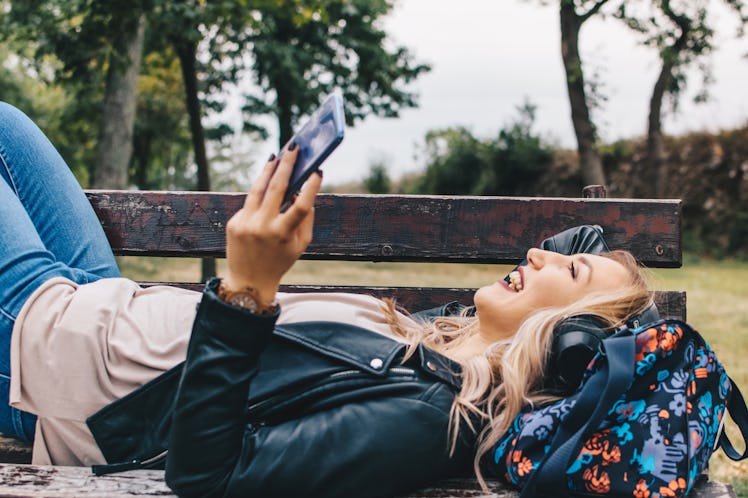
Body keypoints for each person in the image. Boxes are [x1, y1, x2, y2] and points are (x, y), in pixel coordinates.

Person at [0, 101, 653, 497]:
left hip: (59, 361)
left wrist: (250, 289)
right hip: (106, 306)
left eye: (565, 272)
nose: (539, 252)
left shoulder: (428, 420)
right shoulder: (440, 347)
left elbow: (210, 477)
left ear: (568, 343)